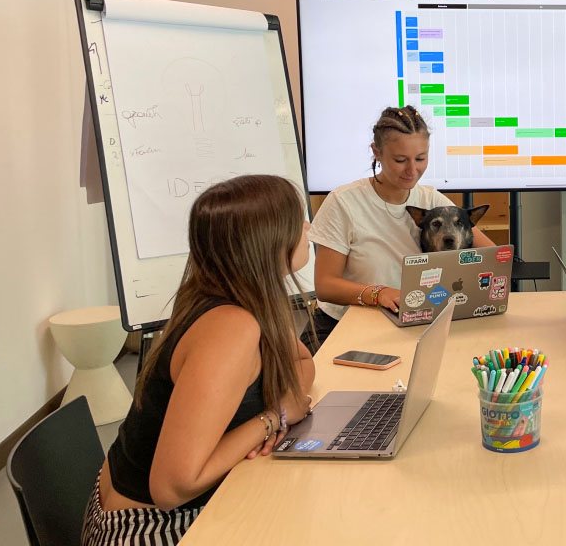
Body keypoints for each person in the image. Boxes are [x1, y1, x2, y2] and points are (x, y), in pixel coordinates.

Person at [82, 175, 316, 545]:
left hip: (149, 507)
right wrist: (275, 418)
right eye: (297, 221)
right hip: (144, 527)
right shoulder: (230, 328)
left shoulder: (243, 294)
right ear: (268, 242)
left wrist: (287, 404)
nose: (307, 228)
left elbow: (302, 363)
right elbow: (173, 487)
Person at [306, 105, 494, 347]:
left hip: (410, 325)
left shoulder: (432, 200)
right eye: (400, 160)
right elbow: (325, 286)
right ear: (377, 152)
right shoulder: (343, 202)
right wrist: (378, 293)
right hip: (342, 325)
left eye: (420, 159)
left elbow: (491, 257)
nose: (412, 171)